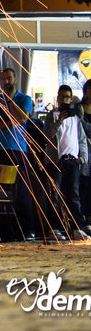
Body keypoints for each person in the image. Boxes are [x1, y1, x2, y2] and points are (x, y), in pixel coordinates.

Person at [0, 67, 35, 240]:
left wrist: (11, 100)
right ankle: (5, 231)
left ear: (15, 79)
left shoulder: (24, 98)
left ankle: (27, 229)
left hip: (18, 149)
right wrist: (7, 123)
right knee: (1, 191)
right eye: (3, 79)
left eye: (9, 78)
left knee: (22, 191)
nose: (6, 81)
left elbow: (22, 118)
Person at [43, 84, 89, 241]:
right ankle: (54, 228)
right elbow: (47, 136)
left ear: (71, 99)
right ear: (58, 98)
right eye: (62, 97)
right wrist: (59, 122)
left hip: (72, 160)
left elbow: (82, 139)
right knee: (54, 195)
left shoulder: (76, 118)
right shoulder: (52, 115)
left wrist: (82, 158)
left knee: (74, 195)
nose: (64, 100)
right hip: (55, 160)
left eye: (67, 97)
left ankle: (77, 227)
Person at [79, 79, 91, 231]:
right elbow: (82, 127)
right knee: (85, 184)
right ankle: (84, 217)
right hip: (85, 150)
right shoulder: (80, 108)